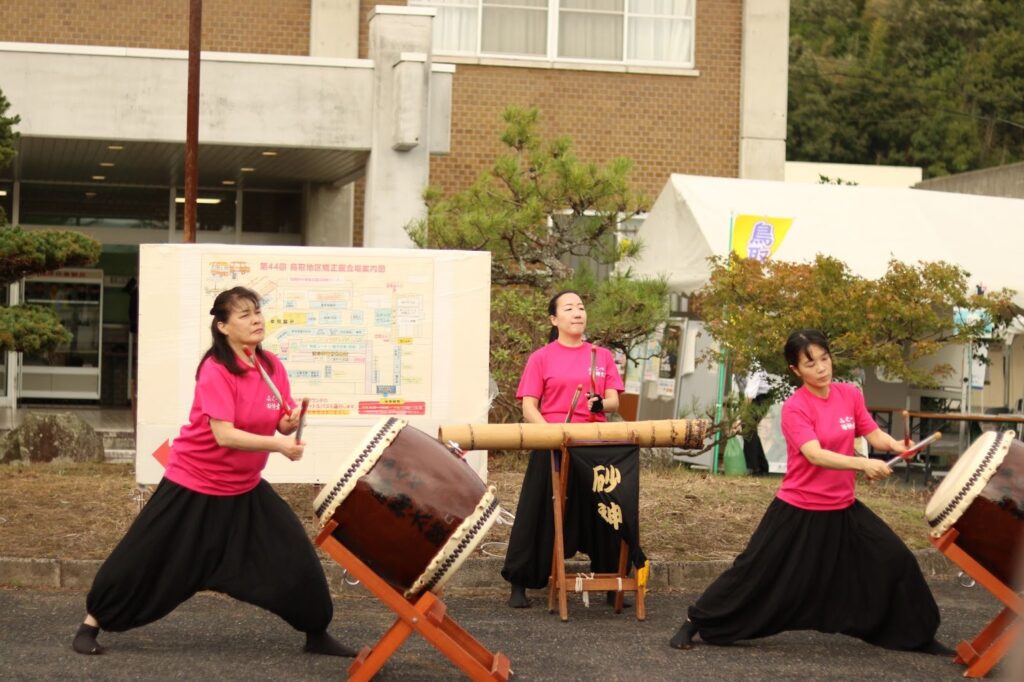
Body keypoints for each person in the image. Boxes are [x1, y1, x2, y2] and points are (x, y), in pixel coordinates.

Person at [72, 287, 354, 658]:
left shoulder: (270, 367)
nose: (256, 319)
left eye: (257, 312)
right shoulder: (215, 369)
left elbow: (278, 422)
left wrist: (287, 426)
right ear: (222, 326)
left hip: (244, 489)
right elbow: (224, 435)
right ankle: (91, 623)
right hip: (193, 484)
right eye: (244, 315)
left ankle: (316, 632)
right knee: (142, 556)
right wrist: (280, 446)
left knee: (294, 554)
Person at [669, 329, 952, 655]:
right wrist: (862, 465)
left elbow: (873, 434)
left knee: (896, 560)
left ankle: (918, 636)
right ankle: (695, 622)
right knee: (751, 571)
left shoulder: (849, 394)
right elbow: (815, 454)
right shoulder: (795, 408)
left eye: (824, 358)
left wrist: (898, 446)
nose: (821, 368)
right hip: (797, 509)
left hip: (842, 509)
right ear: (795, 370)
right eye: (810, 363)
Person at [501, 290, 625, 608]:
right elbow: (529, 406)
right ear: (554, 319)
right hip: (552, 440)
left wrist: (601, 402)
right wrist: (549, 435)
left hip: (593, 441)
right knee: (539, 508)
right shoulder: (541, 357)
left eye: (581, 307)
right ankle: (521, 581)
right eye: (569, 308)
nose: (577, 312)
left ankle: (612, 580)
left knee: (606, 509)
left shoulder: (602, 356)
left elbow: (613, 400)